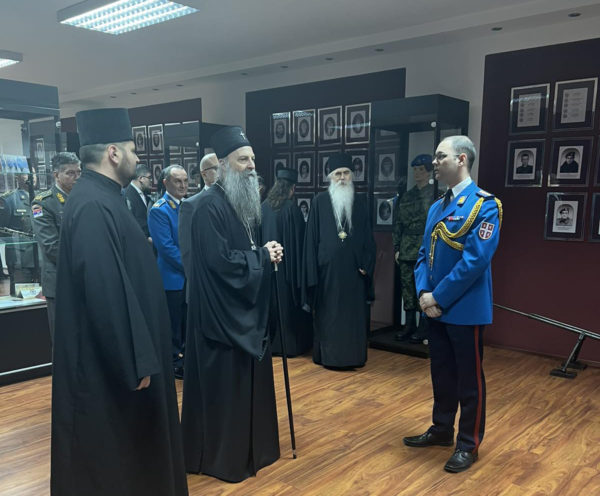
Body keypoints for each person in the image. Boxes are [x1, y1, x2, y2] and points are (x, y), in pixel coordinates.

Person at [51, 108, 188, 495]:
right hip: (114, 365)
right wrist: (134, 357)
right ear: (113, 153)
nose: (136, 157)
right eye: (132, 149)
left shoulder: (104, 197)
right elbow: (104, 288)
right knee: (115, 455)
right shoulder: (93, 204)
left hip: (130, 354)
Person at [181, 126, 283, 483]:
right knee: (225, 393)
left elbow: (244, 249)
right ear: (223, 165)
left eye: (252, 159)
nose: (252, 166)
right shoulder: (206, 206)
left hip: (242, 312)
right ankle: (224, 457)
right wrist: (262, 256)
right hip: (220, 321)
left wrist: (263, 254)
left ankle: (256, 450)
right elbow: (219, 264)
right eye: (243, 160)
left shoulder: (241, 202)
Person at [404, 136, 502, 474]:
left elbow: (475, 262)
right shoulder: (437, 206)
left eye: (440, 156)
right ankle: (442, 428)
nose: (434, 162)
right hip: (434, 307)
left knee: (469, 381)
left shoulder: (485, 205)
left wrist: (438, 297)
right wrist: (423, 293)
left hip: (464, 309)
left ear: (461, 159)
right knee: (441, 373)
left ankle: (469, 444)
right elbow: (422, 256)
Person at [303, 152, 376, 368]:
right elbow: (311, 240)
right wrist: (313, 271)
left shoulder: (360, 202)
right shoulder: (319, 202)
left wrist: (366, 264)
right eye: (337, 174)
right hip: (328, 273)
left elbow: (368, 237)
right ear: (330, 177)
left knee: (352, 317)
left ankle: (353, 357)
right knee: (329, 315)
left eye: (346, 173)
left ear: (352, 175)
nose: (342, 178)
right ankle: (328, 357)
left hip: (354, 272)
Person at [31, 152, 81, 344]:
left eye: (79, 172)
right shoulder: (43, 203)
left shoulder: (82, 198)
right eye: (70, 173)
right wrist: (85, 261)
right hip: (60, 280)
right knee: (64, 340)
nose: (76, 177)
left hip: (84, 278)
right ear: (56, 175)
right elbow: (51, 247)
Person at [262, 167, 312, 356]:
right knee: (287, 307)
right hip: (287, 269)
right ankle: (288, 347)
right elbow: (300, 243)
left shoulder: (263, 207)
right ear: (292, 188)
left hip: (266, 266)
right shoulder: (291, 208)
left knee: (270, 307)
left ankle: (270, 346)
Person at [148, 164, 188, 379]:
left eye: (185, 181)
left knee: (187, 322)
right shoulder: (160, 209)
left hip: (188, 277)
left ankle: (186, 358)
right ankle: (175, 362)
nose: (182, 185)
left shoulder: (187, 205)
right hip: (173, 278)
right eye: (177, 181)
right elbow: (166, 248)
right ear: (166, 183)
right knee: (174, 324)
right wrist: (191, 266)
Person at [392, 154, 435, 343]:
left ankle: (424, 327)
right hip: (407, 247)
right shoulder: (407, 196)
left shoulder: (436, 194)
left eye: (421, 170)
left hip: (425, 248)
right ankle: (409, 325)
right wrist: (397, 247)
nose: (417, 174)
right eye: (415, 170)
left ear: (429, 172)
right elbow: (398, 224)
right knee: (407, 289)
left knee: (423, 288)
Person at [179, 153, 219, 286]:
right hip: (204, 281)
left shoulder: (233, 201)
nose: (222, 172)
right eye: (216, 168)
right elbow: (187, 251)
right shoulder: (191, 205)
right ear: (204, 174)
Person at [0, 172, 38, 295]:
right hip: (20, 258)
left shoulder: (40, 198)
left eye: (34, 174)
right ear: (17, 177)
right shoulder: (9, 200)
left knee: (42, 297)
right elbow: (2, 230)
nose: (32, 177)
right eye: (27, 174)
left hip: (40, 256)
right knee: (22, 297)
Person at [124, 163, 152, 239]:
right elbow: (130, 223)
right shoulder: (127, 195)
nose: (151, 180)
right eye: (149, 177)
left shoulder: (145, 194)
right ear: (141, 179)